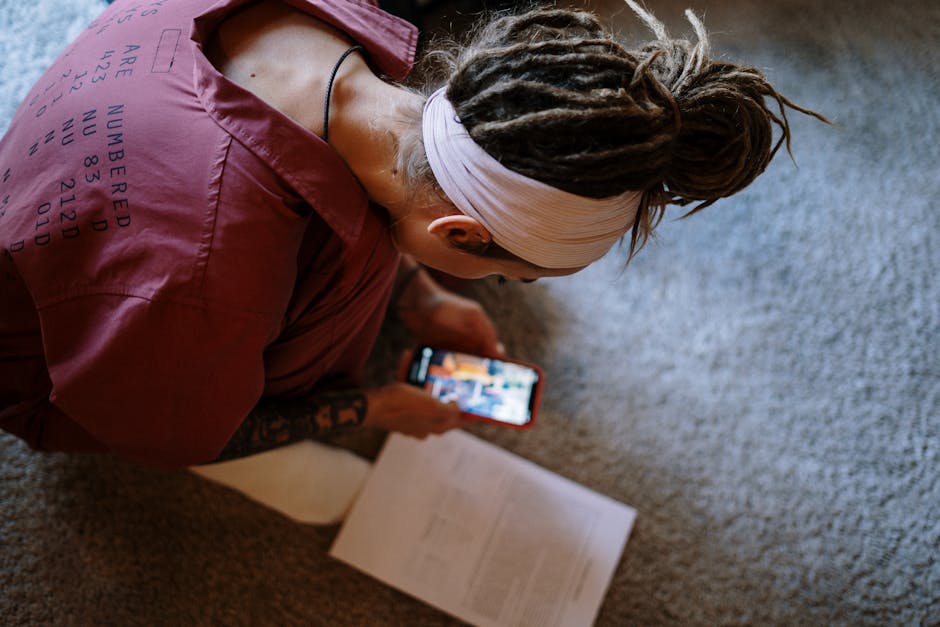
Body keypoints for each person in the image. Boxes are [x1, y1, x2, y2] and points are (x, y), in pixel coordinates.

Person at [0, 0, 826, 468]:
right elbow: (181, 438)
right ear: (463, 230)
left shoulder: (338, 36)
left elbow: (394, 202)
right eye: (510, 274)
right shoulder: (203, 283)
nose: (506, 285)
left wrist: (420, 290)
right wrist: (370, 406)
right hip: (59, 368)